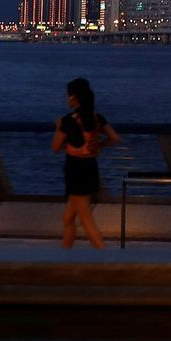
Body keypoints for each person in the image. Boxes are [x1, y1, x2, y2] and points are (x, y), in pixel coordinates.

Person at [54, 76, 118, 249]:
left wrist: (58, 126)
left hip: (75, 169)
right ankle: (64, 256)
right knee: (68, 218)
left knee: (86, 219)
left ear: (73, 97)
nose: (67, 98)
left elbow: (55, 147)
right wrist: (99, 145)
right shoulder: (96, 117)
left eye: (68, 95)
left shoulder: (68, 120)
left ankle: (104, 259)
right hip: (90, 167)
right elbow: (114, 138)